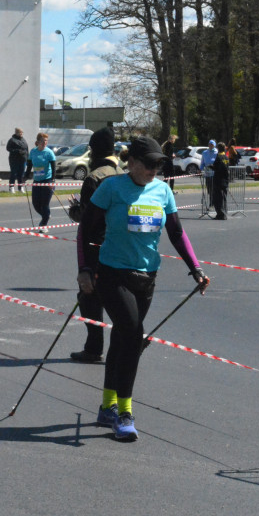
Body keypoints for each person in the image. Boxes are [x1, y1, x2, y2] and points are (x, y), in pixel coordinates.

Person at [77, 135, 210, 441]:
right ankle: (124, 413)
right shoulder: (111, 188)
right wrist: (85, 269)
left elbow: (176, 232)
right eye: (148, 164)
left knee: (122, 340)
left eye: (159, 164)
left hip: (147, 278)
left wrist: (196, 268)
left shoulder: (163, 191)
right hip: (112, 275)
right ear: (132, 163)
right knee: (133, 335)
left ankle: (106, 406)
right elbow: (86, 229)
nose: (154, 170)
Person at [68, 127, 124, 364]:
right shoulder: (124, 174)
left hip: (97, 246)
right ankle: (121, 348)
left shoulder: (94, 178)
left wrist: (76, 212)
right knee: (118, 301)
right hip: (122, 246)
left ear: (94, 151)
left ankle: (94, 348)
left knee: (89, 297)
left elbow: (89, 221)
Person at [26, 132, 57, 230]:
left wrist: (52, 181)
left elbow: (53, 167)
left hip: (47, 180)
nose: (45, 143)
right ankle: (46, 215)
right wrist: (25, 177)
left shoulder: (49, 152)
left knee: (44, 204)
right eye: (43, 141)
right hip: (37, 181)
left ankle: (44, 224)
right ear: (38, 142)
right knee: (36, 204)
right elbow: (29, 166)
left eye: (46, 141)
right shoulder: (33, 152)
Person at [6, 127, 29, 193]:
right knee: (14, 173)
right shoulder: (12, 140)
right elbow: (8, 148)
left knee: (21, 174)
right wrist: (17, 151)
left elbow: (27, 149)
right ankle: (11, 187)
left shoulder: (24, 140)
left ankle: (21, 187)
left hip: (23, 159)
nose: (21, 133)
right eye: (20, 132)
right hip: (14, 159)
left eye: (22, 132)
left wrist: (27, 158)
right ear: (16, 133)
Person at [211, 141, 229, 220]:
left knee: (218, 198)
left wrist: (211, 166)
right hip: (225, 180)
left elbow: (217, 168)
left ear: (218, 149)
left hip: (218, 181)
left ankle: (220, 214)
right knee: (224, 198)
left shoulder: (218, 158)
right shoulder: (226, 157)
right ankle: (224, 213)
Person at [200, 140, 217, 214]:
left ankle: (212, 204)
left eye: (212, 144)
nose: (211, 146)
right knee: (209, 189)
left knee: (213, 189)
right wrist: (200, 169)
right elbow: (202, 163)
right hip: (207, 174)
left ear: (214, 145)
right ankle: (212, 202)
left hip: (214, 174)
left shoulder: (217, 152)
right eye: (210, 144)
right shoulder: (205, 153)